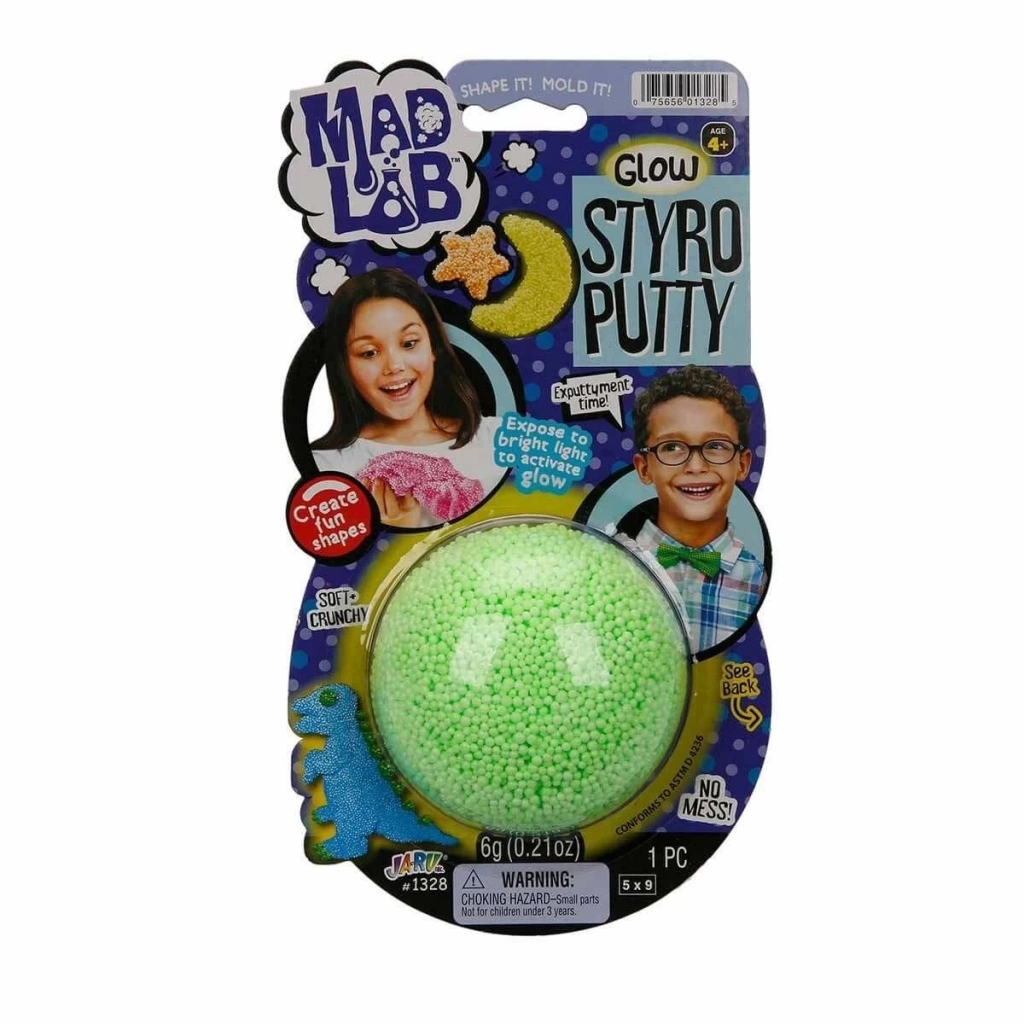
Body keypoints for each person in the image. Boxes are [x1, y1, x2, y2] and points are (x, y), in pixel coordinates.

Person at [312, 268, 504, 528]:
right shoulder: (327, 470)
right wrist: (393, 531)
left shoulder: (499, 439)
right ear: (344, 365)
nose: (394, 366)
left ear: (433, 346)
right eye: (369, 353)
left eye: (409, 343)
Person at [626, 365, 766, 653]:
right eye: (672, 447)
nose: (696, 466)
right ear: (644, 468)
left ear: (742, 464)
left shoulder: (757, 580)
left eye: (715, 445)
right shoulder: (615, 565)